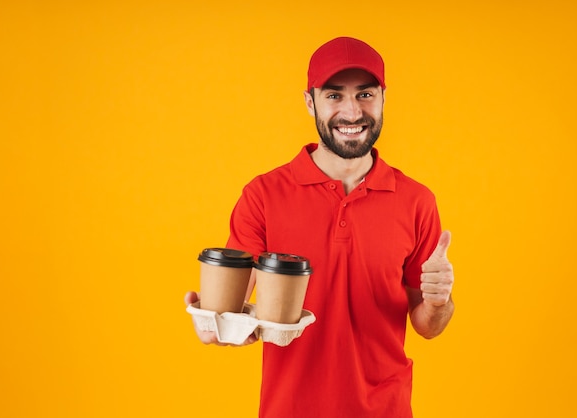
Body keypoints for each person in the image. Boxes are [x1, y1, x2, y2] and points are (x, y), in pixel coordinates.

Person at [185, 36, 455, 418]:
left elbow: (428, 326)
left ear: (383, 98)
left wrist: (440, 301)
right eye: (333, 96)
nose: (351, 112)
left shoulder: (416, 201)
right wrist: (212, 324)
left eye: (365, 95)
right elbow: (231, 314)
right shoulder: (263, 195)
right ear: (310, 101)